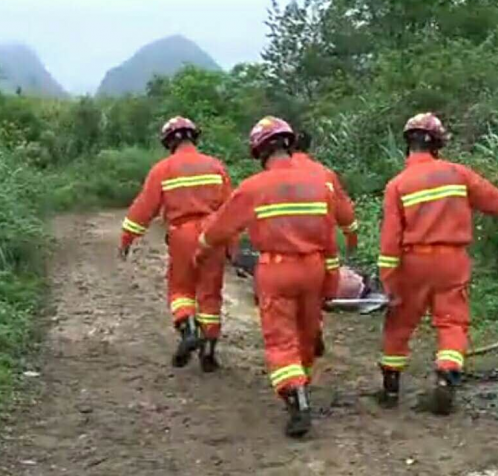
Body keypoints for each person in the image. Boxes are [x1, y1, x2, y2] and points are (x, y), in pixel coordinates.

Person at [378, 112, 498, 414]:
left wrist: (388, 279)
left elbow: (390, 240)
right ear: (437, 144)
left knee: (400, 322)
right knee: (452, 321)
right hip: (452, 260)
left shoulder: (397, 185)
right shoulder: (458, 174)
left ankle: (390, 389)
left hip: (414, 262)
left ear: (408, 145)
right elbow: (494, 199)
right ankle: (447, 372)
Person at [195, 116, 340, 438]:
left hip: (277, 270)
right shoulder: (319, 184)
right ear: (289, 144)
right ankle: (302, 380)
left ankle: (294, 394)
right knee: (305, 335)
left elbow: (220, 229)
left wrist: (202, 250)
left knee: (280, 338)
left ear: (260, 150)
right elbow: (330, 240)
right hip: (315, 268)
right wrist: (330, 282)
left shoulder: (253, 187)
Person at [119, 116, 232, 372]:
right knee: (210, 292)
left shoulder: (163, 169)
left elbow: (144, 207)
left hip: (182, 235)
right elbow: (231, 209)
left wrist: (128, 237)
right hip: (213, 234)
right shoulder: (216, 166)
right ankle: (209, 350)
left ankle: (188, 328)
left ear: (168, 142)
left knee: (181, 287)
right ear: (195, 136)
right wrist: (233, 246)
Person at [293, 130, 359, 253]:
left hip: (277, 260)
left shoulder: (268, 176)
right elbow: (346, 215)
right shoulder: (325, 174)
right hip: (319, 256)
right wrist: (352, 244)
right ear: (309, 147)